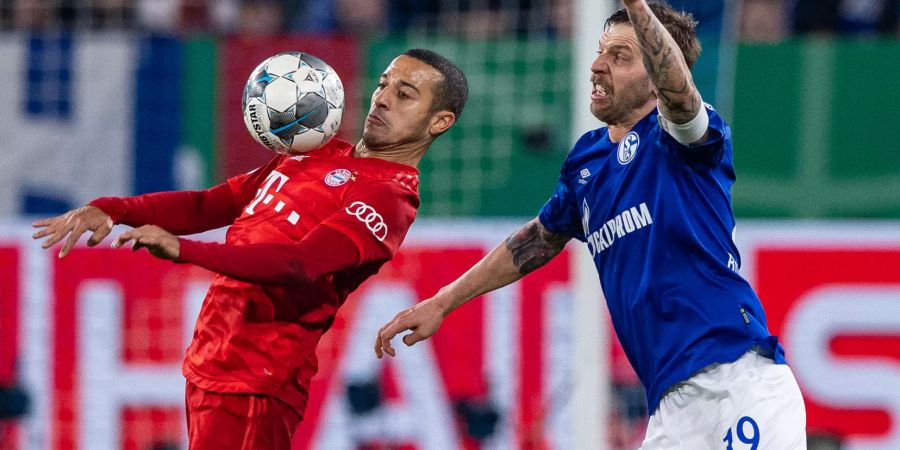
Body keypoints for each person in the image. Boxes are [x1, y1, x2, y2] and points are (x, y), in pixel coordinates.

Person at [374, 2, 807, 448]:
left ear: (657, 73)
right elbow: (538, 238)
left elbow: (679, 94)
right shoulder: (588, 159)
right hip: (671, 412)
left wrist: (636, 5)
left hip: (737, 383)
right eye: (601, 53)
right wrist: (443, 301)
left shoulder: (685, 137)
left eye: (620, 57)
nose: (598, 66)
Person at [32, 48, 468, 449]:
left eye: (405, 94)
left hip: (257, 382)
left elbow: (300, 265)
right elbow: (210, 203)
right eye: (383, 84)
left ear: (439, 122)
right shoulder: (313, 151)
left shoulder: (389, 198)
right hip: (212, 362)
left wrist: (185, 251)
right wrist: (111, 209)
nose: (383, 99)